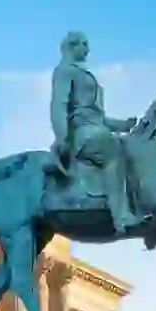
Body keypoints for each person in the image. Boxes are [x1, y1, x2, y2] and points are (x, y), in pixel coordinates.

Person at [49, 31, 143, 234]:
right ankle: (121, 216)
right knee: (113, 149)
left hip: (95, 130)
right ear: (72, 47)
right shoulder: (65, 71)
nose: (88, 49)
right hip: (81, 134)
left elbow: (100, 118)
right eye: (84, 44)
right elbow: (59, 106)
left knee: (131, 147)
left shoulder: (83, 73)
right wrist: (62, 137)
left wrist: (123, 125)